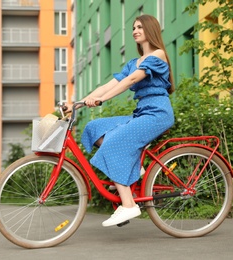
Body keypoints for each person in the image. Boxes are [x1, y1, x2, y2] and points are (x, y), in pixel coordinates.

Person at [75, 14, 175, 227]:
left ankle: (128, 205)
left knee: (113, 144)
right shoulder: (133, 62)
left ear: (150, 29)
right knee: (94, 127)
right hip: (142, 113)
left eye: (139, 27)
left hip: (157, 114)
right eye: (133, 27)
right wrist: (79, 103)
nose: (135, 31)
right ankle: (131, 165)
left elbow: (132, 80)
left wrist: (102, 100)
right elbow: (107, 85)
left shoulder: (158, 55)